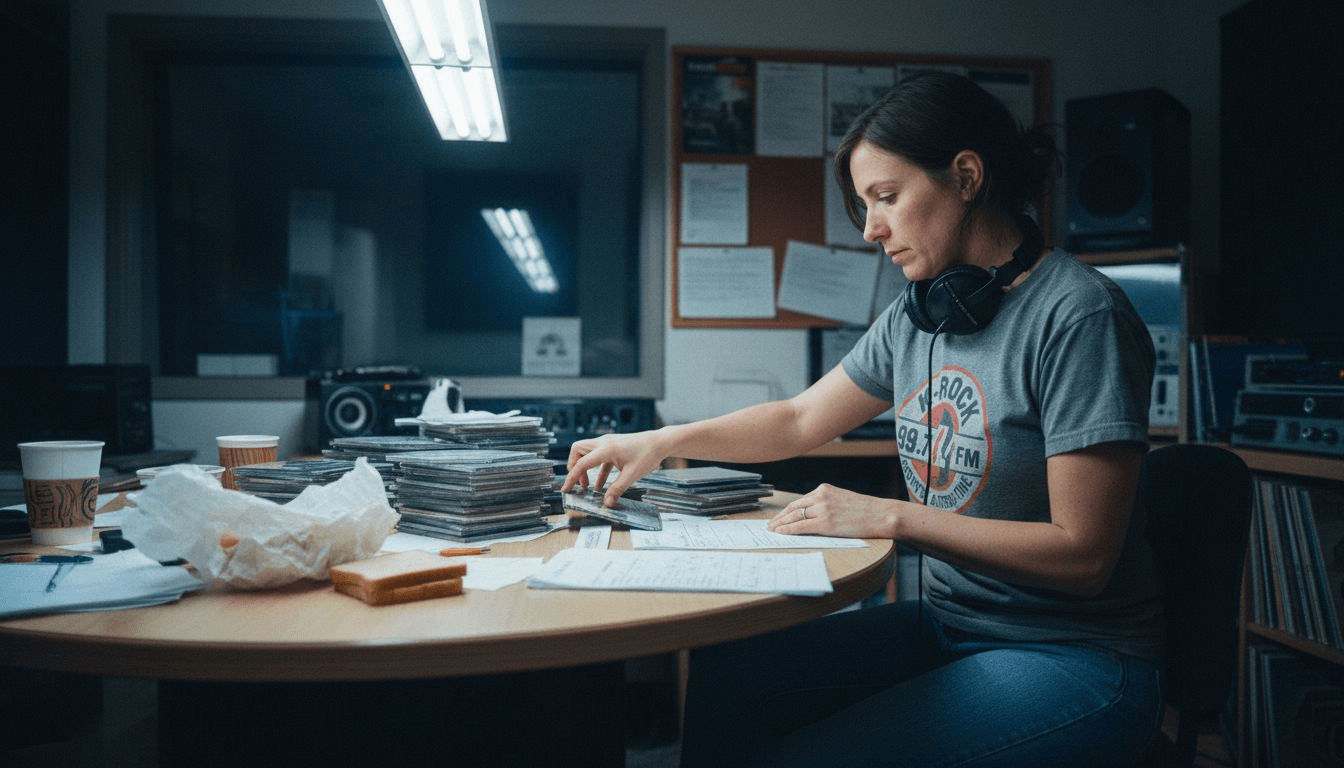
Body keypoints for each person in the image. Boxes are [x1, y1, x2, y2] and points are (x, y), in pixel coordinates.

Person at [563, 70, 1163, 767]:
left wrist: (891, 516)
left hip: (1076, 658)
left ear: (966, 177)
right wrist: (665, 439)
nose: (873, 228)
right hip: (950, 626)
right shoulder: (920, 314)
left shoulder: (1080, 317)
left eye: (887, 197)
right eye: (865, 204)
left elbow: (1083, 556)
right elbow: (798, 418)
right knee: (728, 675)